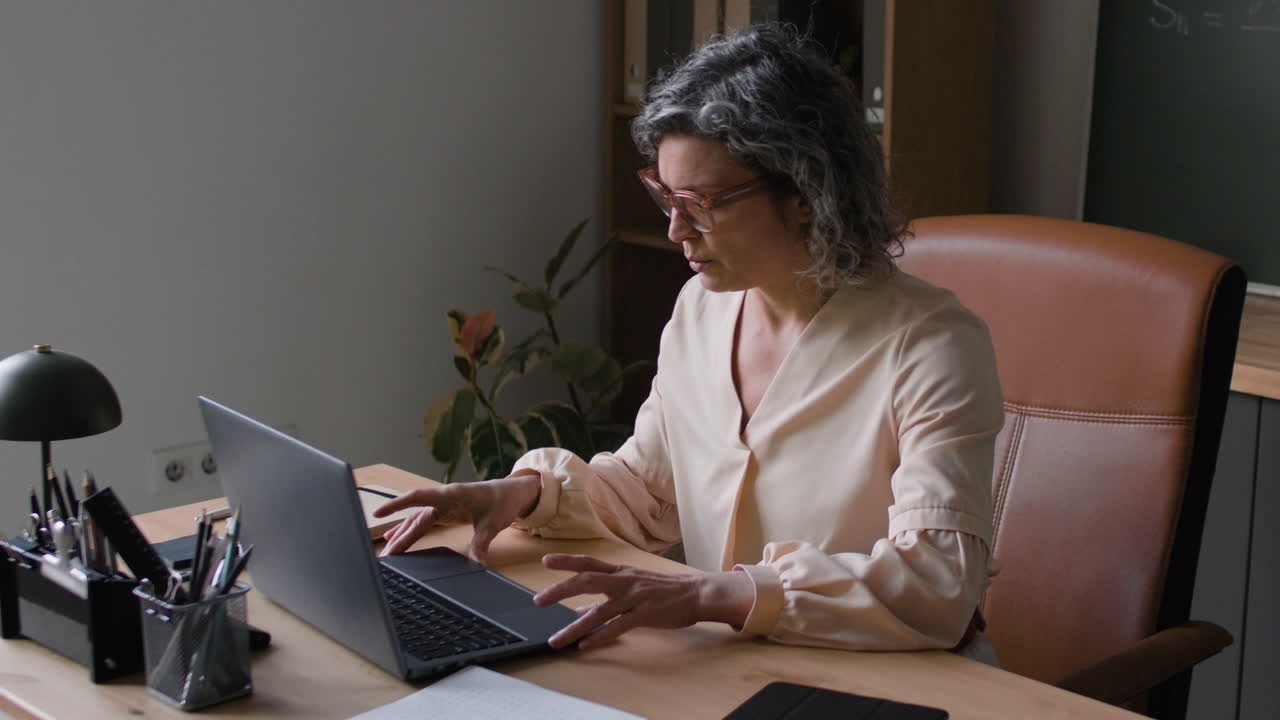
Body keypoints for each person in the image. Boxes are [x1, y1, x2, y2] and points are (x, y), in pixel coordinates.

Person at [376, 24, 1004, 663]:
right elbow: (650, 492)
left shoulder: (931, 346)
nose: (677, 228)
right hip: (744, 661)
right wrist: (519, 494)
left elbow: (937, 583)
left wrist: (713, 596)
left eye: (702, 201)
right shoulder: (702, 310)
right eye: (665, 196)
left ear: (806, 194)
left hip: (897, 676)